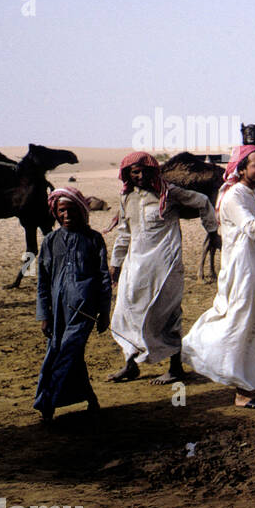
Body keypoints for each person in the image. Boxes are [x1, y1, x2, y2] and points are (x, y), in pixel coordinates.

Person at [181, 146, 255, 408]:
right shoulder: (234, 197)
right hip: (242, 274)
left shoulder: (249, 196)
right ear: (241, 170)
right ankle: (244, 391)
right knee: (242, 329)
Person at [107, 150, 219, 385]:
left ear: (153, 171)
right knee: (125, 312)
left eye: (144, 171)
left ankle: (176, 368)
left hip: (165, 265)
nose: (139, 176)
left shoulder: (170, 193)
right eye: (134, 172)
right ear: (127, 174)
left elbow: (203, 202)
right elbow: (124, 233)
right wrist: (115, 264)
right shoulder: (127, 197)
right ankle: (130, 364)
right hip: (135, 264)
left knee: (167, 314)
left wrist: (212, 230)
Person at [35, 188, 112, 424]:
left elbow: (103, 278)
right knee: (62, 352)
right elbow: (43, 280)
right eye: (62, 211)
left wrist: (104, 312)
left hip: (84, 310)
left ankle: (47, 402)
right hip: (58, 311)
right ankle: (89, 398)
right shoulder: (50, 241)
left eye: (71, 210)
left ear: (80, 211)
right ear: (56, 213)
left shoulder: (93, 239)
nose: (67, 215)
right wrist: (44, 315)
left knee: (68, 351)